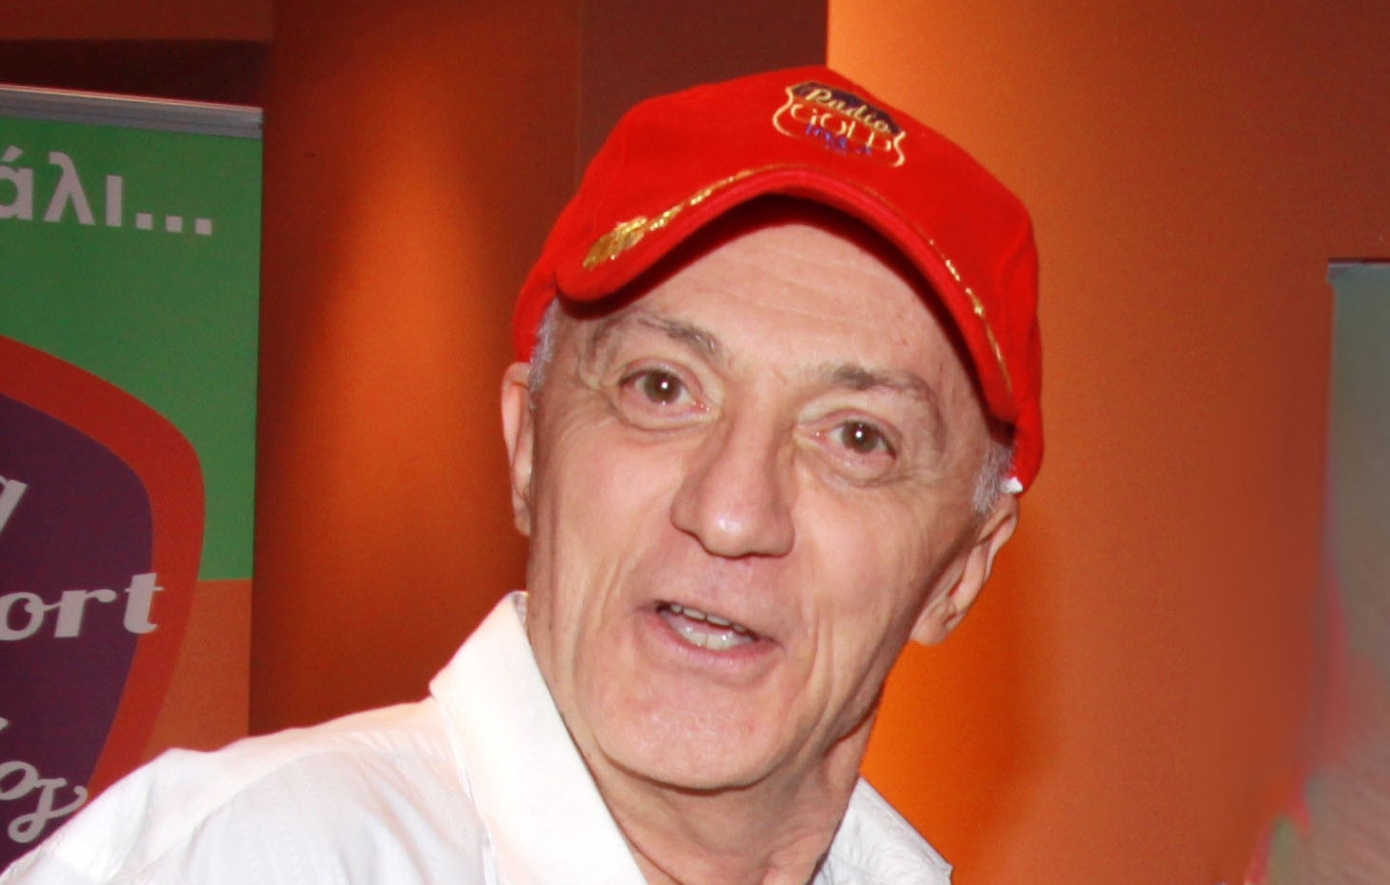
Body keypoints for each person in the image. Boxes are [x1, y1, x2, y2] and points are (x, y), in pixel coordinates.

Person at [1, 65, 1041, 885]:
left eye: (858, 438)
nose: (731, 511)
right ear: (530, 448)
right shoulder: (249, 860)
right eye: (661, 388)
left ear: (960, 571)